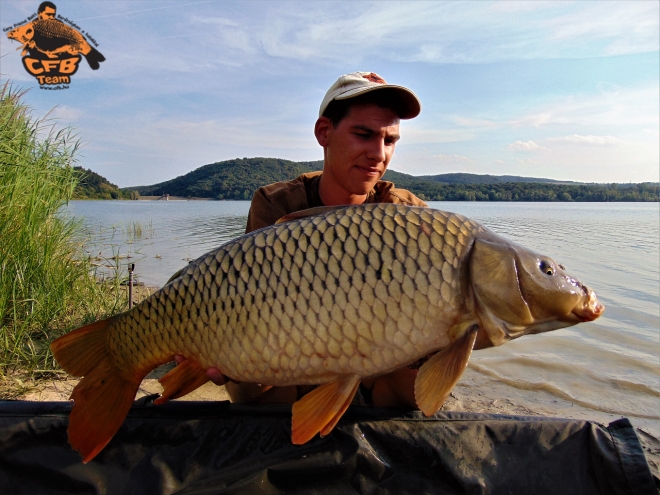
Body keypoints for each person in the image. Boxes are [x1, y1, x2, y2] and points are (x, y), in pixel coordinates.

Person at [178, 72, 428, 408]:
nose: (378, 153)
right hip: (288, 355)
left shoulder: (408, 214)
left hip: (374, 364)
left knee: (418, 375)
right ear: (324, 132)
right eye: (364, 135)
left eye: (390, 140)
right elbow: (248, 303)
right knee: (251, 381)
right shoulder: (275, 204)